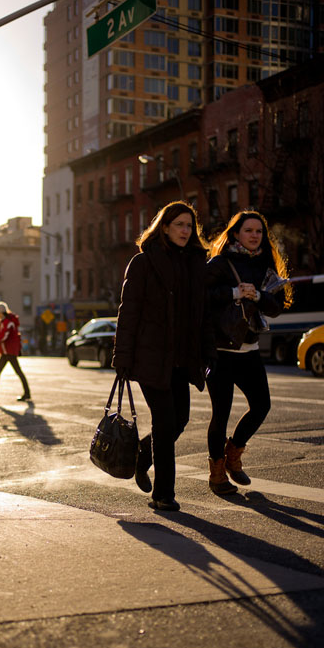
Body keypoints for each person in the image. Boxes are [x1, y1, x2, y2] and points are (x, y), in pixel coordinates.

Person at [112, 201, 213, 511]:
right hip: (151, 357)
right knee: (165, 419)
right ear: (164, 227)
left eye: (190, 226)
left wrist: (208, 353)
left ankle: (143, 456)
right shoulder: (143, 263)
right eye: (180, 224)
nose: (186, 231)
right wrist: (122, 357)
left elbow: (203, 315)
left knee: (179, 419)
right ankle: (163, 494)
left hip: (183, 357)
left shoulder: (196, 264)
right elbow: (128, 313)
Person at [205, 210, 289, 495]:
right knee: (221, 413)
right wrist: (234, 293)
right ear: (236, 234)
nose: (254, 236)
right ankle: (217, 472)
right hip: (220, 351)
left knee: (262, 405)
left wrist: (260, 296)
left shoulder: (266, 264)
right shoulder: (220, 263)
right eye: (248, 230)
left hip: (249, 348)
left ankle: (233, 453)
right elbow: (201, 297)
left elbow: (276, 307)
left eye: (259, 231)